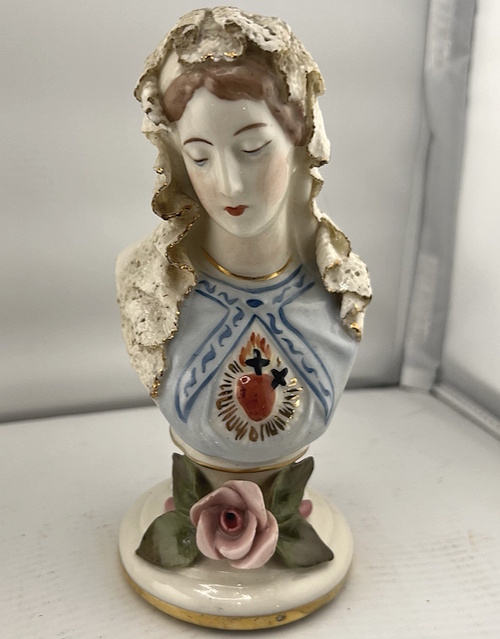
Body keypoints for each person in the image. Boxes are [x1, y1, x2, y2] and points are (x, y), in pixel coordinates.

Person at [116, 7, 371, 467]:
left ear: (299, 140)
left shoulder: (338, 290)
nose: (229, 185)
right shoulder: (150, 288)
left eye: (252, 148)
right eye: (200, 156)